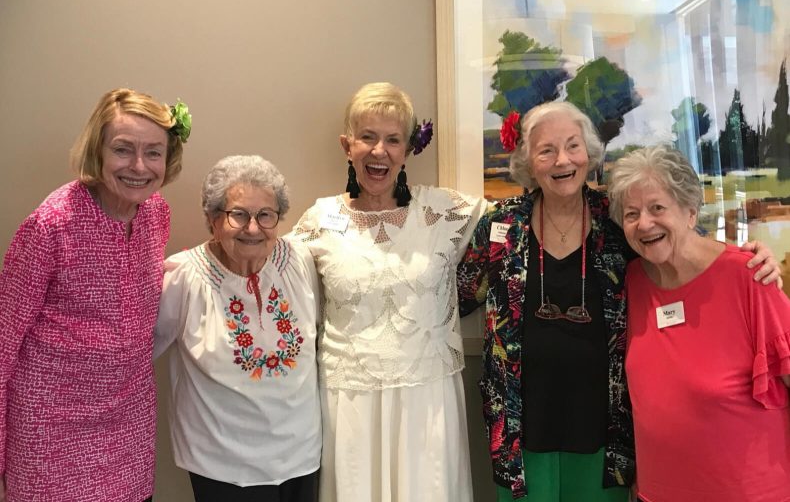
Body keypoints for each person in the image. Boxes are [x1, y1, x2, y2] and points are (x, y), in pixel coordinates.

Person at [456, 102, 781, 502]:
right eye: (546, 150)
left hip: (605, 437)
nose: (562, 160)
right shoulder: (500, 228)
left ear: (590, 154)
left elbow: (679, 254)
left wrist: (745, 259)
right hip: (520, 436)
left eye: (573, 146)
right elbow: (457, 295)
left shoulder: (615, 222)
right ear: (528, 161)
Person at [291, 82, 487, 502]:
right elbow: (276, 279)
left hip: (428, 398)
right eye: (367, 137)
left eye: (392, 139)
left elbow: (518, 225)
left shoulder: (445, 213)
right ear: (348, 145)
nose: (379, 151)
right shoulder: (320, 220)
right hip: (350, 401)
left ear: (408, 149)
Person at [0, 88, 190, 502]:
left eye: (153, 152)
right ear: (97, 151)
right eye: (123, 149)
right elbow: (3, 340)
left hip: (128, 421)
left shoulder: (157, 213)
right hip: (50, 428)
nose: (139, 166)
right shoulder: (52, 224)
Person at [606, 145, 790, 502]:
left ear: (690, 211)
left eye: (657, 208)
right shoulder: (629, 283)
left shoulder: (749, 277)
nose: (644, 223)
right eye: (631, 214)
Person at [154, 155, 321, 502]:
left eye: (265, 215)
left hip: (303, 457)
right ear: (213, 218)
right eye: (238, 215)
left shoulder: (299, 261)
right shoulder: (184, 277)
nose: (253, 228)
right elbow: (139, 352)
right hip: (224, 467)